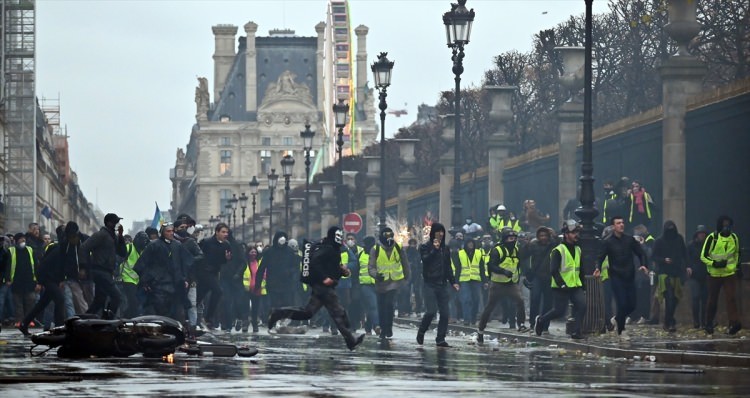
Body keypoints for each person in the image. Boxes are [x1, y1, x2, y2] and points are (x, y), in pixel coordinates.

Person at [267, 226, 365, 351]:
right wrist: (324, 278)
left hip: (324, 286)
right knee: (338, 311)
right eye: (338, 236)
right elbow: (315, 263)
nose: (340, 238)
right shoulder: (327, 248)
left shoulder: (334, 248)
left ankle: (277, 313)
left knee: (307, 312)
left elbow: (331, 266)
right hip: (323, 287)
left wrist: (342, 271)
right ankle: (351, 339)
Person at [595, 216, 648, 340]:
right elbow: (600, 257)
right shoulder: (607, 242)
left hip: (629, 275)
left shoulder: (629, 240)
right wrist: (597, 267)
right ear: (613, 226)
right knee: (621, 302)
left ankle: (618, 318)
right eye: (618, 223)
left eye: (623, 222)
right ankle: (621, 330)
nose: (621, 225)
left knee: (632, 304)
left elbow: (641, 252)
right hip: (615, 276)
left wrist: (643, 264)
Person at [535, 220, 588, 339]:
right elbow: (553, 270)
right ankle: (541, 320)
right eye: (573, 232)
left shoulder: (578, 249)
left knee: (582, 306)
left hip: (575, 286)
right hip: (561, 287)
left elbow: (581, 269)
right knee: (559, 311)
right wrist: (562, 284)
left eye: (577, 232)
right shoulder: (558, 250)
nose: (576, 235)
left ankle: (576, 331)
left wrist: (583, 286)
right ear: (566, 234)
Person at [477, 228, 528, 344]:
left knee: (520, 301)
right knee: (490, 307)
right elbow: (491, 266)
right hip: (497, 285)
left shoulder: (516, 250)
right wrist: (503, 271)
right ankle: (480, 330)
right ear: (505, 239)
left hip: (511, 284)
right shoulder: (497, 250)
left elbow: (520, 264)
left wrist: (525, 275)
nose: (513, 241)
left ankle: (521, 324)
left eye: (515, 238)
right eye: (510, 238)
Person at [417, 222, 458, 347]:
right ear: (433, 233)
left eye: (442, 231)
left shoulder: (445, 248)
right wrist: (434, 250)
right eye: (438, 231)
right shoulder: (425, 247)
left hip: (442, 284)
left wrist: (453, 281)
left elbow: (448, 266)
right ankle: (422, 331)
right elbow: (425, 260)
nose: (440, 234)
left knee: (445, 313)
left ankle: (440, 338)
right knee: (431, 311)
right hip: (430, 283)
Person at [701, 215, 742, 335]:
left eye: (728, 224)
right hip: (714, 274)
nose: (726, 227)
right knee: (712, 300)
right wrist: (714, 263)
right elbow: (703, 256)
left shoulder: (734, 238)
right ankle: (708, 322)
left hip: (729, 273)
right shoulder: (712, 238)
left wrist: (737, 267)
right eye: (723, 224)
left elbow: (737, 253)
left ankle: (734, 323)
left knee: (731, 298)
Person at [368, 227, 410, 340]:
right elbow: (371, 267)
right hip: (381, 283)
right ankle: (382, 329)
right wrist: (376, 275)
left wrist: (406, 277)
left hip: (394, 282)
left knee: (389, 304)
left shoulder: (398, 247)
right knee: (381, 306)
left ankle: (388, 327)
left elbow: (405, 263)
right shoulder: (375, 249)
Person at [134, 223, 185, 316]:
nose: (171, 233)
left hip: (174, 286)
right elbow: (140, 265)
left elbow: (184, 263)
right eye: (168, 231)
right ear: (162, 232)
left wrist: (185, 279)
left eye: (172, 231)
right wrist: (145, 281)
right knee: (158, 313)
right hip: (157, 286)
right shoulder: (153, 245)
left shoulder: (177, 245)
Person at [84, 213, 128, 318]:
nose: (118, 224)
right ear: (109, 223)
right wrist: (84, 267)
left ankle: (84, 319)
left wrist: (121, 236)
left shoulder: (114, 237)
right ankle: (108, 320)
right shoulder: (101, 235)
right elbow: (84, 247)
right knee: (117, 297)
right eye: (116, 222)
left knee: (100, 300)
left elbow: (123, 252)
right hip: (100, 271)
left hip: (107, 272)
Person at [651, 220, 687, 332]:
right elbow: (653, 256)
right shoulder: (659, 241)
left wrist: (687, 267)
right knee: (669, 297)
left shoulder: (679, 239)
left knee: (675, 299)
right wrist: (663, 260)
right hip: (664, 274)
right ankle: (670, 322)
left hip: (677, 273)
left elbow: (685, 254)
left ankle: (668, 320)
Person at [519, 226, 556, 333]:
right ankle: (533, 323)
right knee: (535, 299)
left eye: (545, 235)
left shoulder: (553, 244)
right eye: (541, 235)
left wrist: (554, 235)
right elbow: (523, 256)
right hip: (537, 276)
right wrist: (527, 244)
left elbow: (561, 244)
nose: (543, 238)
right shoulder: (533, 245)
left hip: (549, 276)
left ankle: (545, 325)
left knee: (548, 302)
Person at [196, 223, 231, 329]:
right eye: (223, 232)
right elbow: (199, 255)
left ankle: (193, 317)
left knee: (200, 296)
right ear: (217, 232)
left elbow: (223, 261)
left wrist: (227, 259)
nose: (225, 234)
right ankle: (209, 318)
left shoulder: (226, 244)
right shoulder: (207, 242)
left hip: (214, 273)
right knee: (218, 291)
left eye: (227, 232)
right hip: (204, 272)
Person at [5, 233, 39, 328]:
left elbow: (35, 265)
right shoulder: (11, 251)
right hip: (16, 281)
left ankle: (29, 320)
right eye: (21, 239)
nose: (23, 241)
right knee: (18, 303)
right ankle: (19, 321)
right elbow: (7, 266)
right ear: (16, 241)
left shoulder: (30, 249)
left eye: (24, 239)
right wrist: (8, 279)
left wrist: (37, 280)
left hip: (29, 281)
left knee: (30, 301)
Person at [456, 238, 485, 326]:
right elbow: (458, 268)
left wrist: (485, 281)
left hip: (476, 280)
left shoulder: (478, 253)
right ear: (466, 244)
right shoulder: (461, 253)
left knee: (476, 300)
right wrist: (456, 281)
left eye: (472, 244)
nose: (471, 245)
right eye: (469, 243)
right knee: (466, 300)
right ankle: (467, 319)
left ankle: (473, 318)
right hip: (465, 280)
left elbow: (482, 268)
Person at [119, 231, 149, 318]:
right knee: (133, 302)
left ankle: (126, 317)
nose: (143, 243)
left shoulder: (144, 251)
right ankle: (130, 319)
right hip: (127, 278)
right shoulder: (129, 247)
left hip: (138, 281)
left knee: (136, 303)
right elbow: (119, 257)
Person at [686, 225, 709, 329]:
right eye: (700, 233)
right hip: (694, 275)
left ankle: (704, 322)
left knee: (705, 299)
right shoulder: (691, 245)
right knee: (695, 298)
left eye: (704, 234)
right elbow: (686, 258)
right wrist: (688, 267)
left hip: (705, 274)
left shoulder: (708, 245)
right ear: (697, 234)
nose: (702, 235)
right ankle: (696, 321)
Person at [357, 236, 380, 335]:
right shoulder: (361, 254)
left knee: (374, 307)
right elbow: (356, 269)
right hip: (365, 285)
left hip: (378, 284)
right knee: (373, 305)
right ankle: (377, 326)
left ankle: (368, 326)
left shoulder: (378, 253)